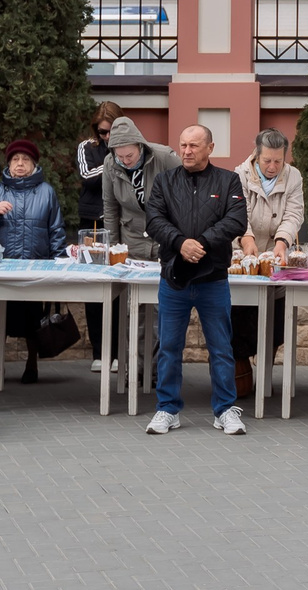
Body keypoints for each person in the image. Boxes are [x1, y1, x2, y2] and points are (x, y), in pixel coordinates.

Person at [141, 124, 248, 435]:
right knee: (169, 347)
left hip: (213, 278)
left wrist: (199, 242)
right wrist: (179, 243)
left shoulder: (229, 180)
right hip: (173, 278)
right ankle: (167, 409)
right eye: (183, 145)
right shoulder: (163, 181)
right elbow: (154, 219)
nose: (187, 151)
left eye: (194, 146)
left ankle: (225, 410)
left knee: (221, 347)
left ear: (210, 148)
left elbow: (236, 220)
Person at [0, 137, 69, 385]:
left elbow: (56, 229)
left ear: (34, 164)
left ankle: (32, 364)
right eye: (15, 159)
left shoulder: (46, 192)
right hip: (2, 269)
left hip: (35, 267)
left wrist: (58, 262)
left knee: (33, 319)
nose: (20, 164)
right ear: (9, 164)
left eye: (25, 159)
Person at [232, 129, 307, 402]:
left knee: (275, 318)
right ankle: (239, 370)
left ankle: (265, 370)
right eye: (267, 161)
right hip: (244, 252)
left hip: (277, 256)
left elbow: (294, 212)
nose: (273, 167)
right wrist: (246, 236)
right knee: (239, 315)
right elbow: (235, 210)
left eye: (278, 161)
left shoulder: (294, 176)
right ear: (256, 155)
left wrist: (282, 241)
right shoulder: (238, 174)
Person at [102, 116, 179, 264]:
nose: (125, 161)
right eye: (120, 156)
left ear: (140, 146)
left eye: (130, 155)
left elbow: (187, 198)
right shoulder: (109, 164)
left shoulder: (165, 158)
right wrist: (112, 248)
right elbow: (110, 208)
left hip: (165, 241)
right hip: (131, 243)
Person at [76, 101, 120, 234]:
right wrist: (113, 163)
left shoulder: (130, 149)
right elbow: (87, 176)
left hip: (122, 215)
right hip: (93, 215)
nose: (108, 136)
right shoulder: (87, 146)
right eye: (103, 132)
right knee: (92, 254)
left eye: (112, 131)